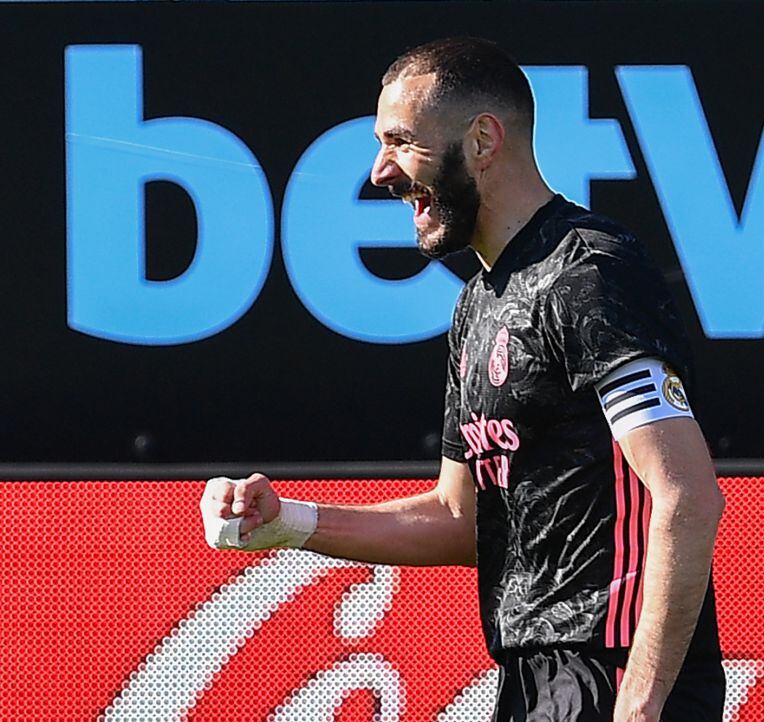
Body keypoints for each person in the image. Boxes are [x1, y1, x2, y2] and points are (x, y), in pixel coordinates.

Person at [200, 37, 725, 722]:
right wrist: (288, 525)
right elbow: (459, 519)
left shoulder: (590, 272)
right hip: (533, 678)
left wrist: (643, 700)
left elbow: (686, 494)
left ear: (483, 139)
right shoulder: (477, 305)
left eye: (401, 142)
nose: (379, 171)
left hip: (612, 669)